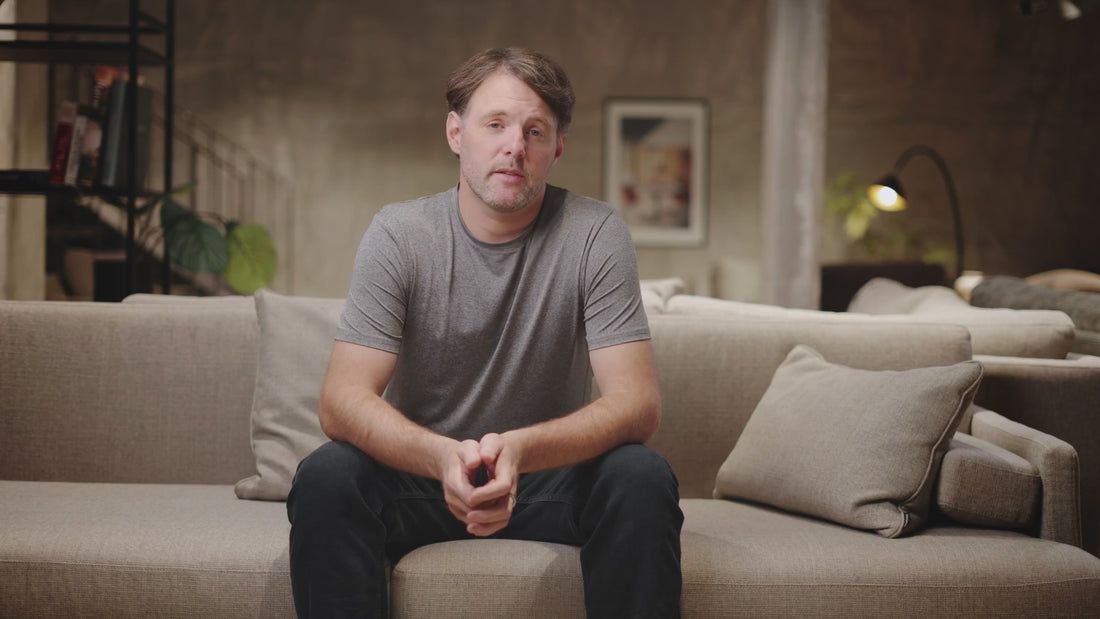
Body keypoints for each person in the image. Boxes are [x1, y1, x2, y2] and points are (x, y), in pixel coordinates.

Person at [287, 47, 683, 619]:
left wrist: (520, 450)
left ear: (557, 148)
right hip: (422, 479)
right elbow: (340, 402)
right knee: (328, 475)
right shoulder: (399, 234)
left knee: (641, 475)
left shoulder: (595, 233)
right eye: (495, 124)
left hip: (546, 480)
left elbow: (638, 405)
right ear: (456, 133)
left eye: (535, 131)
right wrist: (441, 458)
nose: (514, 146)